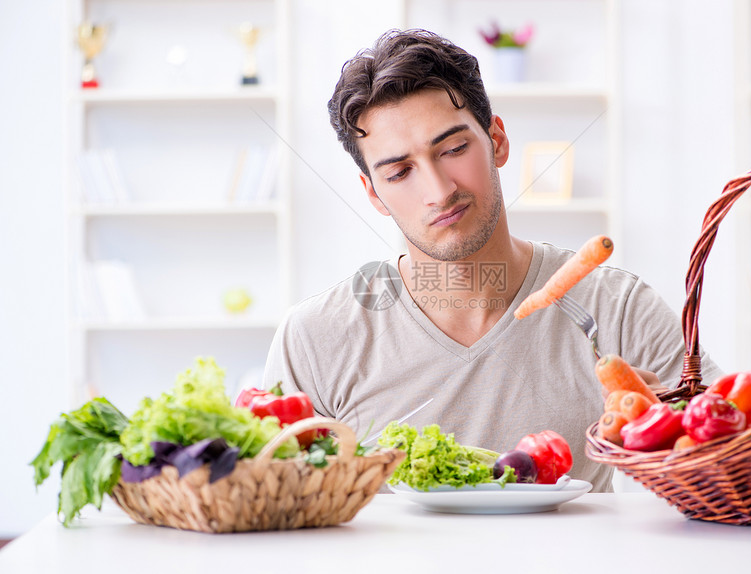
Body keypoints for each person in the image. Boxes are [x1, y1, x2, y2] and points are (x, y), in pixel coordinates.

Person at [262, 29, 721, 491]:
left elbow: (735, 461)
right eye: (400, 172)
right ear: (374, 194)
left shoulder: (620, 309)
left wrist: (665, 432)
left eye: (455, 149)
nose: (439, 191)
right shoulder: (315, 337)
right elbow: (274, 507)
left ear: (497, 141)